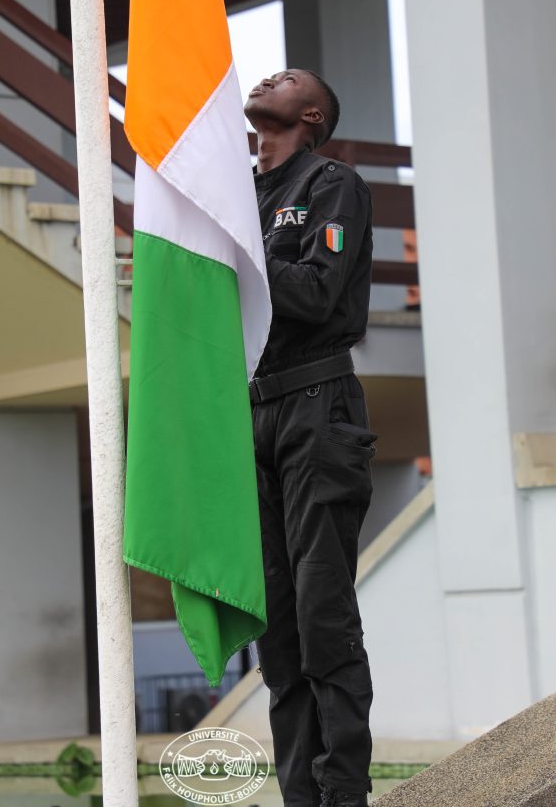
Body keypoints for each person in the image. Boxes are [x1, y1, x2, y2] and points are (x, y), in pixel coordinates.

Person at [244, 69, 376, 807]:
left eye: (287, 79)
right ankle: (300, 796)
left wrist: (238, 253)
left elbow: (317, 292)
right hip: (252, 412)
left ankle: (343, 793)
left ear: (313, 115)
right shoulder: (238, 195)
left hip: (318, 405)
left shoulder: (331, 185)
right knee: (278, 629)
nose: (270, 76)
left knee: (322, 610)